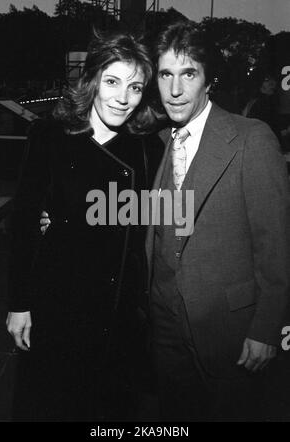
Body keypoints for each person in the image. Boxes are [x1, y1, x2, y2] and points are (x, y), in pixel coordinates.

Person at [6, 30, 162, 421]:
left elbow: (155, 222)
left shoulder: (147, 147)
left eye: (136, 87)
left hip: (118, 313)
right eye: (112, 82)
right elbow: (24, 222)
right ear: (92, 80)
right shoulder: (49, 135)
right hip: (57, 303)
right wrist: (19, 304)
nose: (123, 98)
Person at [144, 21, 290, 421]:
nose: (175, 89)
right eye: (166, 74)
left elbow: (276, 246)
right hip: (165, 330)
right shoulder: (157, 142)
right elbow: (146, 221)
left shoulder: (251, 138)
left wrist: (266, 329)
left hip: (229, 334)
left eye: (188, 73)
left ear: (209, 80)